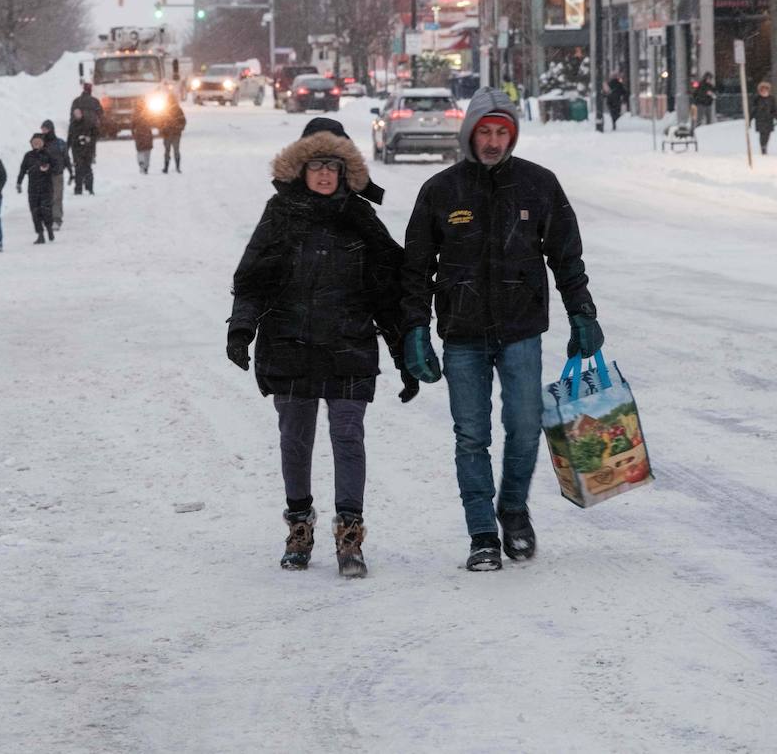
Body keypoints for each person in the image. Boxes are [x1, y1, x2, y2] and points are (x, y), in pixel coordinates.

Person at [400, 88, 601, 573]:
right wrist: (414, 329)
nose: (492, 142)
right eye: (484, 132)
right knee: (471, 435)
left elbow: (566, 256)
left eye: (501, 133)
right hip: (462, 332)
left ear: (512, 136)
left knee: (526, 427)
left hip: (520, 328)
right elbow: (415, 268)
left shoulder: (538, 184)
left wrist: (582, 313)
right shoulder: (441, 190)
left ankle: (512, 509)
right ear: (470, 133)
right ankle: (482, 535)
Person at [227, 117, 415, 578]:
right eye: (316, 165)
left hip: (349, 346)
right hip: (289, 344)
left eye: (333, 165)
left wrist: (404, 355)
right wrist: (241, 329)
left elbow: (387, 294)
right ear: (301, 169)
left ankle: (350, 534)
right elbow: (253, 279)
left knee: (348, 436)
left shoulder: (361, 219)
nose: (325, 174)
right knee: (295, 439)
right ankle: (299, 526)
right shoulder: (280, 214)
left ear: (345, 170)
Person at [16, 133, 57, 244]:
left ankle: (49, 228)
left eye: (38, 142)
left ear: (43, 143)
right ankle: (40, 235)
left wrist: (48, 169)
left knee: (46, 210)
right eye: (34, 142)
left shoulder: (48, 154)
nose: (36, 144)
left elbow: (56, 167)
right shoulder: (28, 155)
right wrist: (19, 182)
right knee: (35, 212)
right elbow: (22, 169)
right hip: (33, 188)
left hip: (46, 187)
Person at [40, 119, 71, 230]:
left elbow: (66, 158)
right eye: (42, 129)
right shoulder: (39, 143)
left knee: (57, 197)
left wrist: (71, 172)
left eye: (45, 129)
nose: (44, 131)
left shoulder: (60, 143)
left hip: (57, 174)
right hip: (44, 175)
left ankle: (56, 219)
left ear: (51, 129)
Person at [67, 102, 99, 196]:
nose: (77, 115)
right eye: (75, 114)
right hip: (76, 150)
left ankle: (89, 188)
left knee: (87, 168)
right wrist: (66, 148)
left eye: (78, 113)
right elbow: (70, 137)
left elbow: (96, 134)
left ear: (81, 113)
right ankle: (78, 189)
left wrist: (89, 139)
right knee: (78, 169)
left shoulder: (89, 123)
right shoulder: (72, 125)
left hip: (87, 149)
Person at [750, 81, 777, 156]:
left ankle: (765, 144)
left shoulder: (771, 98)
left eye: (766, 89)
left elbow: (774, 108)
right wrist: (750, 119)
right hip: (760, 118)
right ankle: (763, 147)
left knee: (768, 134)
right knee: (762, 133)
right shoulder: (757, 98)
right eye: (762, 90)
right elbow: (753, 109)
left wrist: (776, 117)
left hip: (769, 119)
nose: (764, 91)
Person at [162, 98, 187, 174]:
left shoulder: (165, 110)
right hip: (175, 133)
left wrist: (163, 129)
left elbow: (160, 121)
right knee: (175, 150)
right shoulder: (178, 110)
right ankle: (177, 167)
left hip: (169, 133)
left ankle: (166, 167)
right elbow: (183, 121)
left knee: (168, 151)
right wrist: (180, 128)